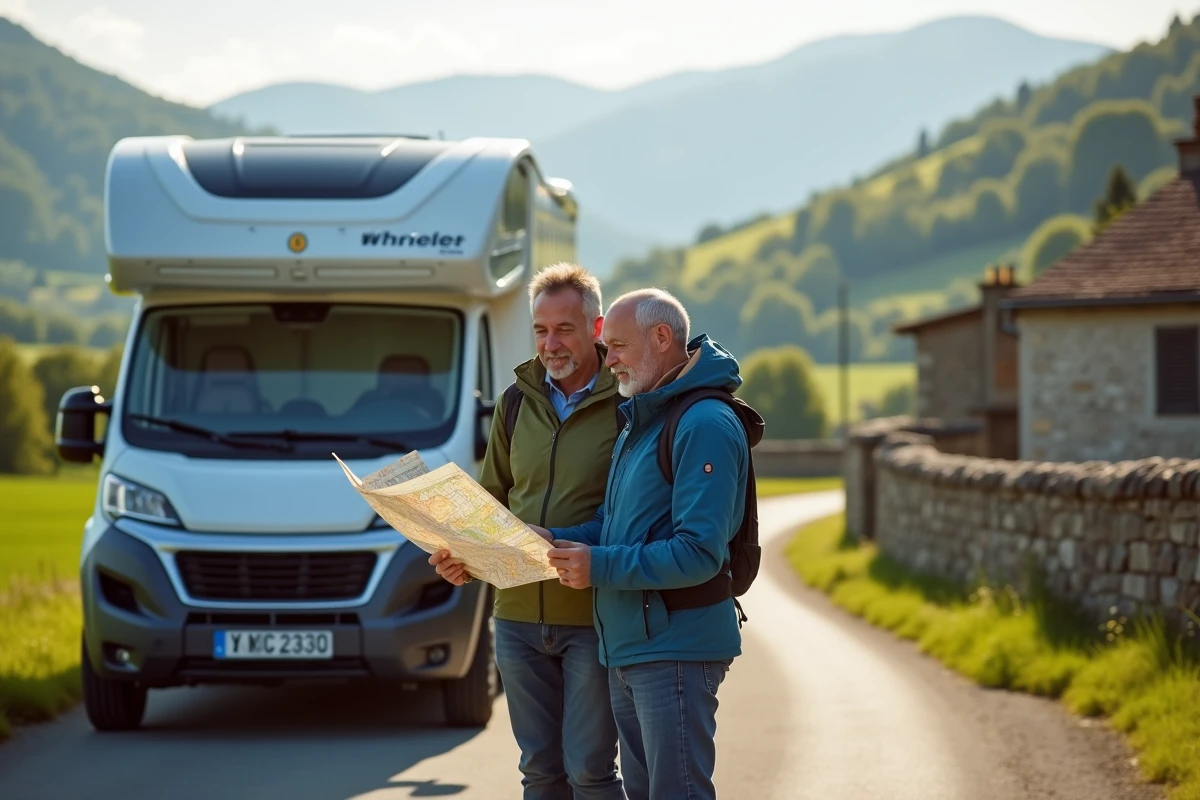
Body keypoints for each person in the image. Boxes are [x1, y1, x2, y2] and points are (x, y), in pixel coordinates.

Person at [539, 288, 750, 800]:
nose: (607, 360)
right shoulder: (645, 418)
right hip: (632, 648)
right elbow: (613, 527)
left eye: (616, 346)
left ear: (661, 338)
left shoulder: (704, 423)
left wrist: (598, 567)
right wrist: (552, 540)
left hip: (675, 650)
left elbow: (699, 551)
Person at [428, 263, 626, 800]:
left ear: (597, 328)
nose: (550, 343)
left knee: (589, 771)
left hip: (592, 616)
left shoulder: (628, 405)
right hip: (514, 618)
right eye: (540, 329)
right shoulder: (515, 402)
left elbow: (631, 515)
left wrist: (556, 538)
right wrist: (461, 556)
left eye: (564, 328)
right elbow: (492, 497)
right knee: (539, 772)